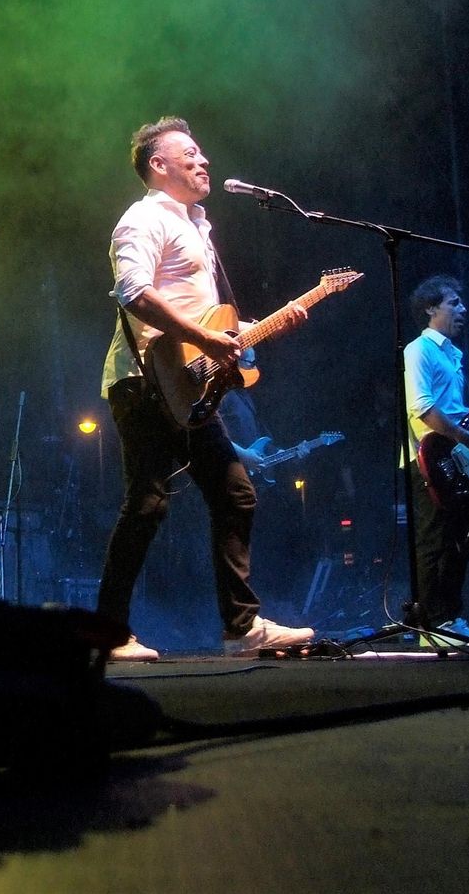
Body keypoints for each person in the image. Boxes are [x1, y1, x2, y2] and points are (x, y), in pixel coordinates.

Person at [97, 116, 315, 661]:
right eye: (190, 153)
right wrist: (206, 338)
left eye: (202, 153)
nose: (204, 161)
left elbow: (208, 322)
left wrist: (263, 325)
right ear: (158, 165)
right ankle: (104, 636)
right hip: (144, 381)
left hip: (189, 384)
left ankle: (241, 629)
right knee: (147, 503)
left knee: (234, 492)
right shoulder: (142, 220)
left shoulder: (198, 225)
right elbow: (134, 293)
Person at [401, 274, 469, 645]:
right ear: (430, 308)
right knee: (434, 539)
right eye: (454, 303)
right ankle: (433, 625)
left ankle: (450, 618)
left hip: (454, 458)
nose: (463, 309)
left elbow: (456, 412)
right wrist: (462, 435)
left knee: (463, 538)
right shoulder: (418, 350)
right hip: (428, 459)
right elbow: (422, 407)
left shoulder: (453, 354)